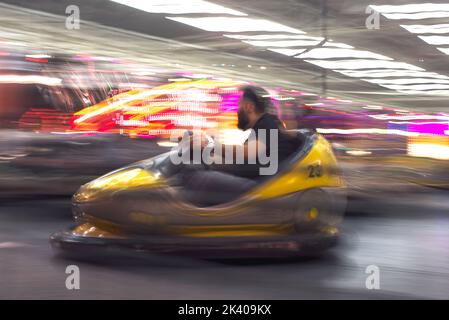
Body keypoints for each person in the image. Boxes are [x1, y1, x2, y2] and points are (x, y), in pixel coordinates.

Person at [180, 86, 299, 206]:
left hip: (258, 188)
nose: (237, 111)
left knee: (196, 178)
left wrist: (210, 145)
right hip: (254, 181)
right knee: (197, 166)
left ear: (249, 107)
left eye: (238, 106)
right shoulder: (262, 126)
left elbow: (248, 153)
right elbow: (241, 158)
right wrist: (210, 156)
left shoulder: (267, 122)